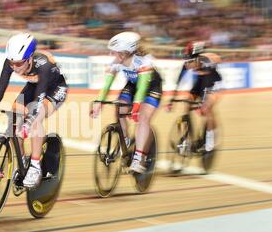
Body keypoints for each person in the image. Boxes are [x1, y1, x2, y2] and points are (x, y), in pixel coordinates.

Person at [0, 33, 68, 188]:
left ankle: (35, 166)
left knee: (35, 118)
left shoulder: (44, 65)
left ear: (30, 58)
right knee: (14, 116)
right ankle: (22, 159)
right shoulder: (11, 61)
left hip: (55, 89)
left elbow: (38, 100)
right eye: (12, 63)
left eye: (19, 64)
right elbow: (0, 90)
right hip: (34, 85)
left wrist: (28, 124)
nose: (14, 67)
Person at [90, 32, 163, 174]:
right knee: (119, 109)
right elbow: (107, 85)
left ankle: (138, 157)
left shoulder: (144, 61)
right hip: (133, 86)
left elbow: (142, 87)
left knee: (143, 118)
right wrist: (99, 102)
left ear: (123, 53)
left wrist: (136, 107)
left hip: (151, 88)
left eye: (114, 52)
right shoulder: (116, 63)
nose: (111, 54)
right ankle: (126, 140)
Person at [166, 41, 222, 152]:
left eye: (190, 61)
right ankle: (187, 137)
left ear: (197, 59)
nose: (187, 64)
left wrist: (202, 104)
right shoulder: (187, 63)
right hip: (200, 83)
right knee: (187, 103)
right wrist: (172, 100)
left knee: (206, 108)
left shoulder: (206, 63)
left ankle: (210, 139)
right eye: (186, 60)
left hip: (213, 83)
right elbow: (178, 82)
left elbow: (207, 85)